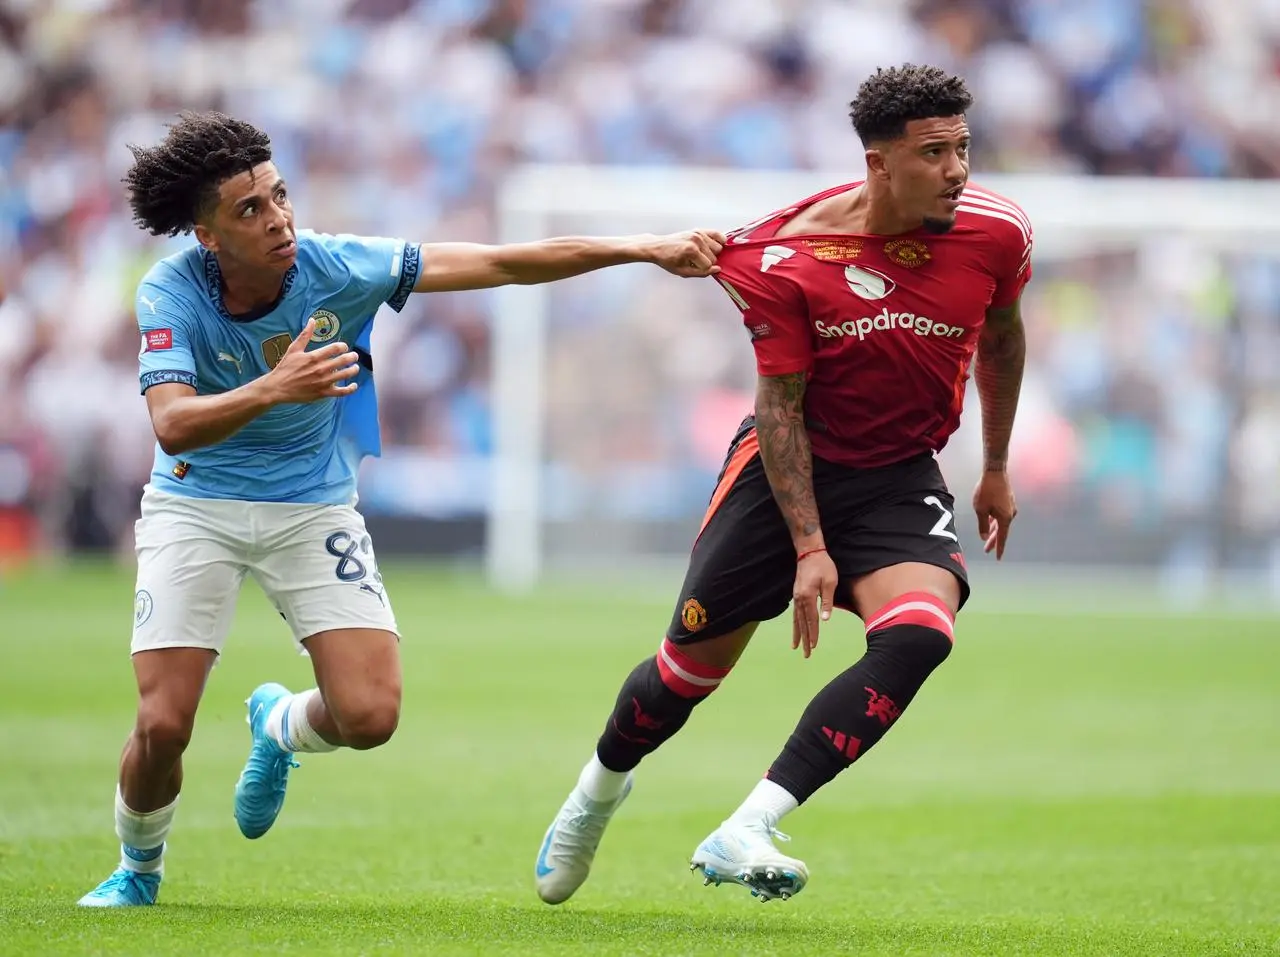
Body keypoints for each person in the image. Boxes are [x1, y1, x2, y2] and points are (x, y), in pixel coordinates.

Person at [78, 110, 725, 907]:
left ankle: (279, 725)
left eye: (278, 195)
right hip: (194, 503)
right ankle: (138, 868)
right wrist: (279, 385)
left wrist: (642, 248)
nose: (278, 218)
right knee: (164, 724)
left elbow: (501, 264)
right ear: (207, 235)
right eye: (250, 210)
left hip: (311, 507)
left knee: (371, 713)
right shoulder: (168, 289)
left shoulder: (339, 267)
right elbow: (172, 420)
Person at [534, 63, 1030, 904]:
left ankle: (749, 824)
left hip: (898, 474)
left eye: (964, 148)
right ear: (879, 165)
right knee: (684, 677)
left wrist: (994, 465)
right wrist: (809, 545)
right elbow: (779, 406)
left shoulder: (998, 232)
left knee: (920, 634)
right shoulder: (784, 256)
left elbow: (1004, 337)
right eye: (936, 152)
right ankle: (594, 795)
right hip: (783, 469)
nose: (958, 171)